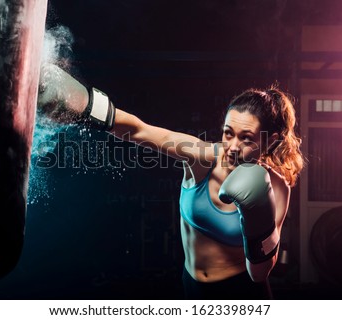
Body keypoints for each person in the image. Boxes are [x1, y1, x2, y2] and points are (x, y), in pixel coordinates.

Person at [37, 63, 305, 299]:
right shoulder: (201, 158)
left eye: (246, 138)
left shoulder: (278, 186)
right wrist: (83, 103)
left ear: (270, 141)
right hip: (192, 290)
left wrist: (258, 213)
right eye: (228, 133)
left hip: (245, 295)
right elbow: (139, 130)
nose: (232, 147)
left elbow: (260, 273)